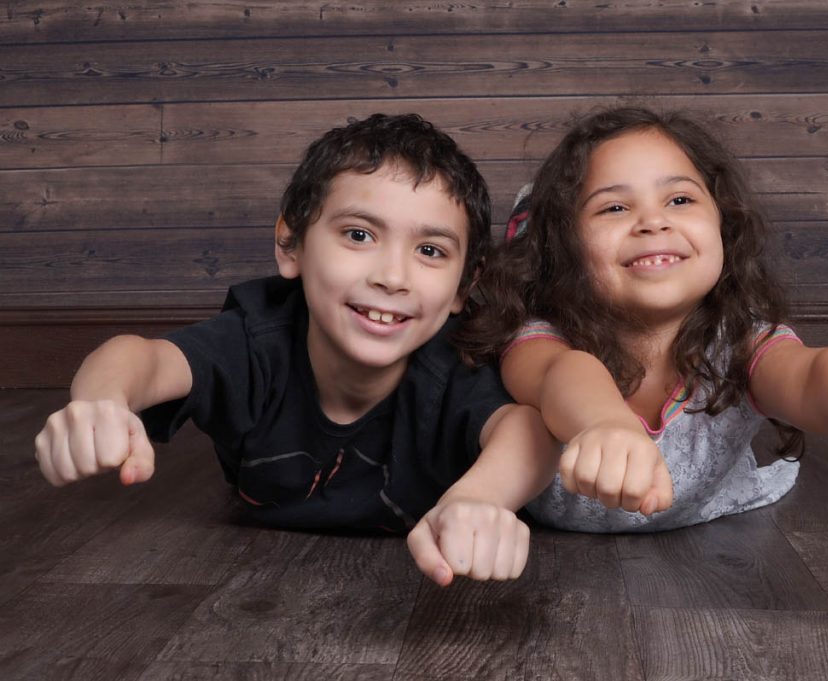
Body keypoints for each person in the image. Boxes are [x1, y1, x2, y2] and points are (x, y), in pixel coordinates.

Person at [33, 113, 558, 584]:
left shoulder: (452, 364)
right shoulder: (259, 340)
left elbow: (528, 431)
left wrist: (480, 499)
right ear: (290, 245)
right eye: (358, 235)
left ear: (464, 288)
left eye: (429, 250)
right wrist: (100, 402)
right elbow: (141, 356)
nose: (393, 277)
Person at [457, 106, 828, 533]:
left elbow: (813, 374)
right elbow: (562, 374)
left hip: (706, 519)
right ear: (563, 249)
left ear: (723, 228)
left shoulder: (736, 340)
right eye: (614, 208)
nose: (653, 221)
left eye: (680, 199)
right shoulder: (541, 335)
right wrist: (606, 426)